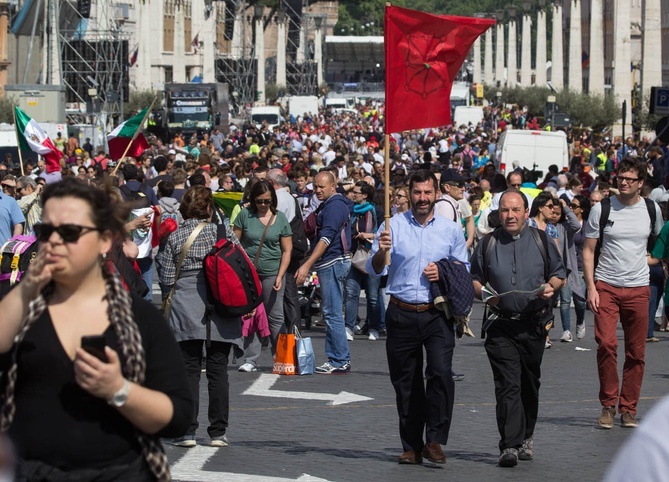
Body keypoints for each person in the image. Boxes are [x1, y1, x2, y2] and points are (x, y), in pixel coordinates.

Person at [0, 178, 192, 479]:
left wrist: (119, 390)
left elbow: (178, 416)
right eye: (46, 231)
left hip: (120, 473)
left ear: (104, 240)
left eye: (70, 232)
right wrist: (27, 289)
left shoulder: (139, 317)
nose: (54, 241)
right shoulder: (22, 309)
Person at [367, 170, 469, 465]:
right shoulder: (392, 226)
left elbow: (463, 268)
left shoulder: (450, 229)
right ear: (408, 193)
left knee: (439, 373)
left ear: (437, 193)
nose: (422, 198)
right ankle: (411, 444)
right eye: (417, 193)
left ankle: (434, 439)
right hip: (400, 311)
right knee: (406, 382)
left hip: (436, 312)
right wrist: (381, 251)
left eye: (427, 193)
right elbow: (375, 270)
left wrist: (444, 271)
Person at [471, 190, 566, 468]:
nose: (510, 216)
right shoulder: (487, 243)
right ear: (498, 214)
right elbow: (475, 279)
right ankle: (509, 445)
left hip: (533, 324)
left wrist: (552, 286)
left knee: (528, 383)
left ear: (526, 212)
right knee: (507, 384)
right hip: (500, 324)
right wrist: (485, 294)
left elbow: (559, 274)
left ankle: (527, 435)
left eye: (515, 210)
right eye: (504, 210)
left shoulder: (541, 240)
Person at [583, 158, 663, 430]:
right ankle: (608, 404)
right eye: (621, 178)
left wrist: (647, 261)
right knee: (606, 344)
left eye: (630, 179)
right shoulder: (602, 209)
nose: (624, 182)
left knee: (636, 352)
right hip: (606, 285)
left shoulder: (652, 210)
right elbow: (589, 250)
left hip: (639, 288)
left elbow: (654, 244)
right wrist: (591, 286)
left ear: (641, 183)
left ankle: (628, 409)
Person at [160, 185, 242, 448]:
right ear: (209, 208)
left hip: (186, 303)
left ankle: (187, 432)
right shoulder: (224, 232)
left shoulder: (176, 235)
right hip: (221, 302)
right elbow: (241, 263)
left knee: (189, 370)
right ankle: (218, 432)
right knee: (218, 370)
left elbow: (165, 277)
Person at [295, 171, 353, 374]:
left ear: (333, 185)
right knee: (331, 311)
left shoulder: (335, 206)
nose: (318, 191)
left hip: (333, 261)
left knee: (332, 313)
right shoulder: (330, 204)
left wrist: (307, 263)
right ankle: (338, 358)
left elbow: (326, 238)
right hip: (332, 261)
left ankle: (339, 359)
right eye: (315, 187)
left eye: (322, 187)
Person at [234, 180, 292, 372]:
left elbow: (287, 250)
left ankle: (280, 357)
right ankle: (251, 359)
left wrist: (280, 275)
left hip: (272, 272)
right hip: (248, 274)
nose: (263, 205)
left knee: (275, 316)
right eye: (259, 201)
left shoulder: (280, 218)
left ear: (272, 200)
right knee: (249, 315)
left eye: (267, 201)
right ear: (252, 200)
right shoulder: (244, 215)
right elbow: (235, 243)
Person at [344, 181, 383, 341]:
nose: (353, 194)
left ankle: (374, 327)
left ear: (365, 195)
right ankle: (349, 326)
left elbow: (384, 233)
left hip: (372, 257)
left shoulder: (377, 212)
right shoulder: (351, 211)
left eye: (356, 192)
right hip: (354, 257)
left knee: (372, 295)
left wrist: (370, 236)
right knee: (351, 293)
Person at [568, 194, 592, 339]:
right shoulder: (567, 223)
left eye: (574, 206)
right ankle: (566, 330)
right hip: (569, 266)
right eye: (570, 205)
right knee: (565, 301)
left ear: (582, 209)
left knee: (580, 300)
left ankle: (580, 321)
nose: (571, 208)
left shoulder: (588, 225)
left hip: (582, 267)